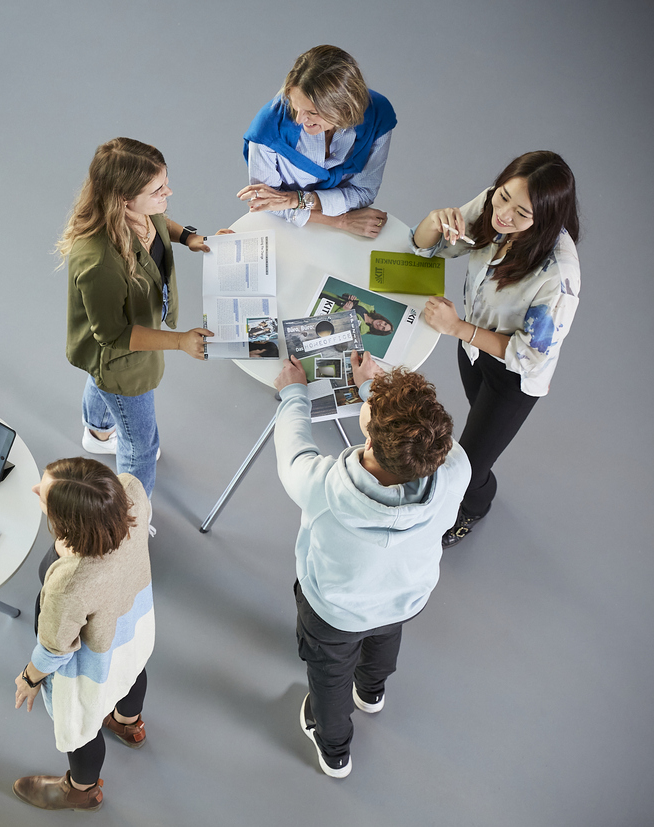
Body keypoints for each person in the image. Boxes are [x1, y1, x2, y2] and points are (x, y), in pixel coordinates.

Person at [273, 353, 469, 778]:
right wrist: (373, 391)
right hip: (404, 597)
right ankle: (372, 691)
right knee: (383, 639)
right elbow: (430, 441)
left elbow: (292, 452)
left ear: (371, 437)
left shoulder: (324, 487)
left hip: (334, 614)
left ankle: (334, 749)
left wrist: (292, 392)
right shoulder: (455, 470)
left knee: (328, 678)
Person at [411, 151, 580, 547]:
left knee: (467, 464)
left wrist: (458, 328)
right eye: (503, 197)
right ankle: (479, 464)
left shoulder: (559, 275)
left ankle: (473, 507)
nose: (503, 214)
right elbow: (428, 249)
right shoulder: (496, 203)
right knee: (475, 438)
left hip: (513, 377)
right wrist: (435, 221)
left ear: (546, 217)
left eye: (522, 213)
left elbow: (528, 355)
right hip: (471, 349)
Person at [60, 137, 214, 509]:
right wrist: (179, 341)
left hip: (116, 345)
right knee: (141, 448)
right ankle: (131, 517)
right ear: (124, 199)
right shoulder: (99, 260)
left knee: (100, 380)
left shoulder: (140, 212)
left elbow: (160, 221)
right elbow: (113, 335)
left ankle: (97, 432)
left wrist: (189, 237)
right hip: (122, 357)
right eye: (158, 189)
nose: (168, 192)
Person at [12, 458, 155, 812]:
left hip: (93, 661)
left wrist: (29, 679)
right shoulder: (131, 492)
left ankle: (82, 789)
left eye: (43, 496)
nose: (34, 491)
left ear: (68, 524)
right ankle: (128, 725)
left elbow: (56, 648)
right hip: (134, 626)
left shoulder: (71, 581)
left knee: (81, 728)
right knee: (132, 673)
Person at [238, 45, 397, 239]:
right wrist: (341, 221)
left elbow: (364, 192)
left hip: (344, 236)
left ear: (346, 108)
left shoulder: (378, 116)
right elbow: (268, 205)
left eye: (312, 113)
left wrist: (295, 200)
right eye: (296, 107)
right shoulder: (267, 129)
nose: (299, 120)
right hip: (284, 230)